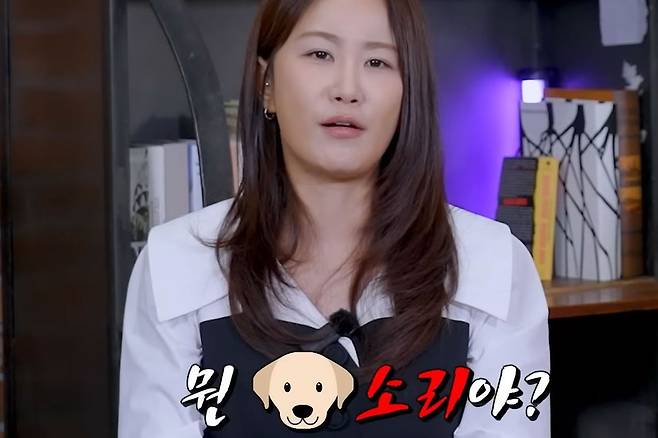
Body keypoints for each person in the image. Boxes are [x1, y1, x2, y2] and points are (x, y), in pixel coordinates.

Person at [118, 0, 551, 436]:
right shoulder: (176, 266)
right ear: (266, 84)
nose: (348, 88)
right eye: (320, 54)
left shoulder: (492, 267)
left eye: (377, 62)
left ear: (408, 92)